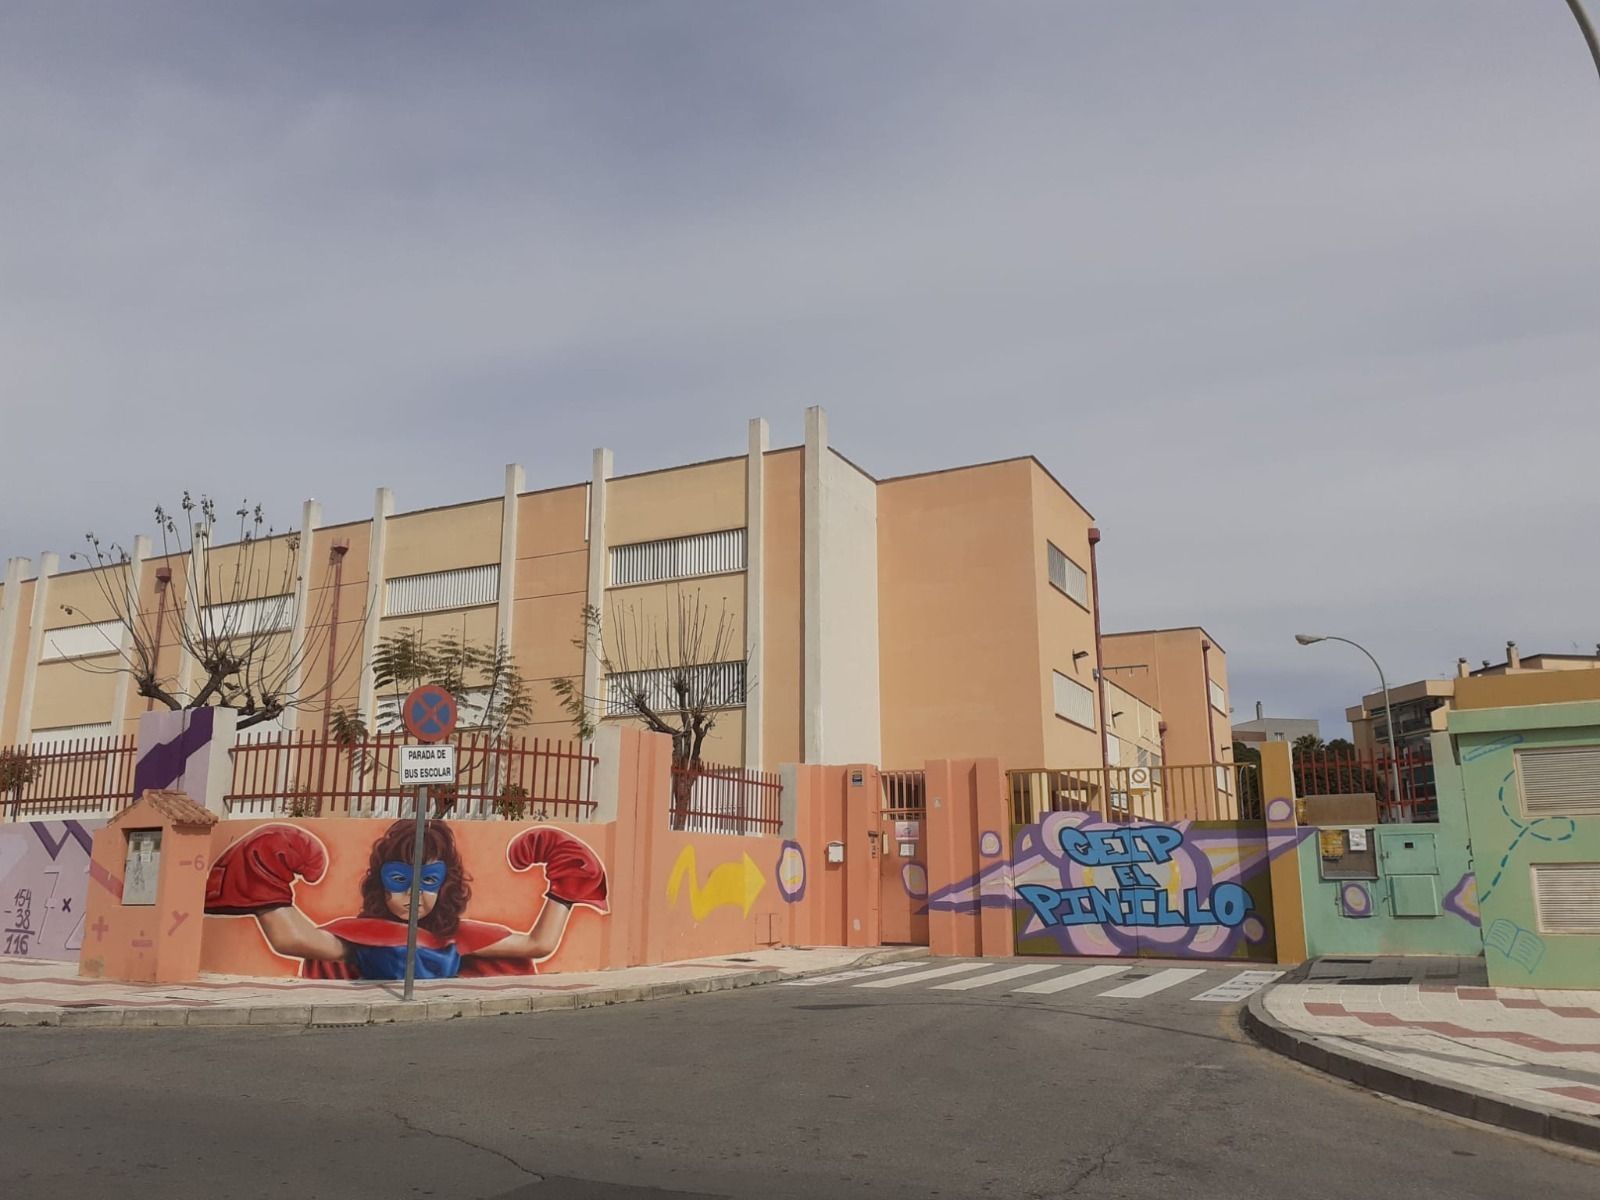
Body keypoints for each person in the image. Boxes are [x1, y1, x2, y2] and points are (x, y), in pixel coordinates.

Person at [204, 819, 607, 979]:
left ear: (444, 885)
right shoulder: (363, 936)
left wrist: (565, 885)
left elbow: (538, 945)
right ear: (380, 885)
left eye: (428, 880)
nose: (413, 893)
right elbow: (291, 939)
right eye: (399, 879)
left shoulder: (459, 937)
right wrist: (263, 879)